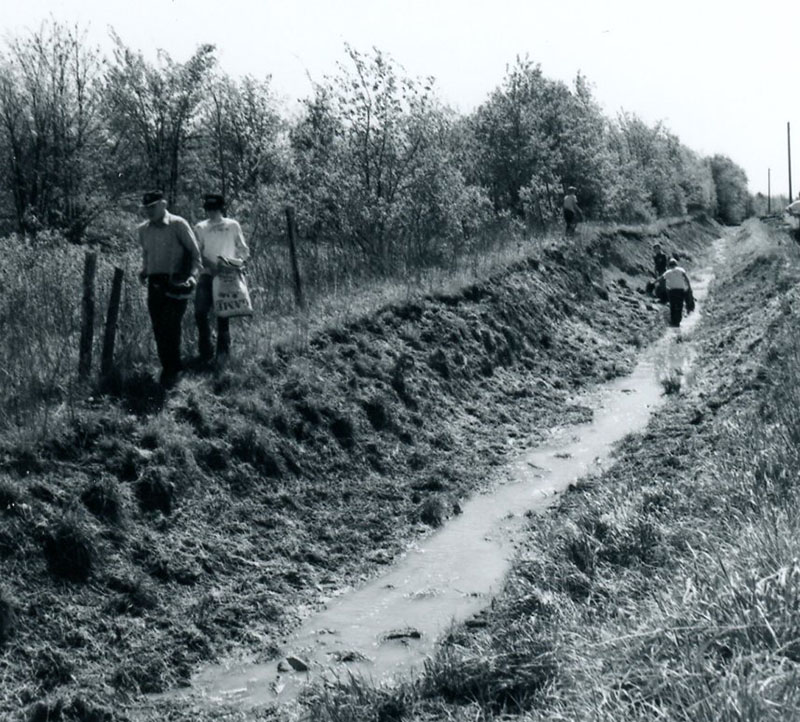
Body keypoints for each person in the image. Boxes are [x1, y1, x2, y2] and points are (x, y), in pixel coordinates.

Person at [137, 190, 203, 387]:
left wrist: (192, 276)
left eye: (153, 207)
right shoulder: (143, 230)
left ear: (163, 204)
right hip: (155, 282)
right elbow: (147, 254)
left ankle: (173, 370)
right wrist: (144, 271)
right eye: (146, 208)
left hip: (177, 281)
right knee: (158, 327)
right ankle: (169, 368)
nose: (149, 211)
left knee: (172, 325)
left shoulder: (178, 224)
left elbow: (194, 254)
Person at [194, 193, 250, 365]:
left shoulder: (232, 225)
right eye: (208, 208)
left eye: (214, 208)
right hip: (207, 274)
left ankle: (223, 355)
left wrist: (236, 264)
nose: (211, 212)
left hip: (227, 274)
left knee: (223, 315)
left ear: (220, 208)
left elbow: (243, 250)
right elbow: (197, 252)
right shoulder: (200, 227)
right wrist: (211, 265)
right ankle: (206, 352)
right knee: (200, 312)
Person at [658, 258, 693, 328]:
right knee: (680, 305)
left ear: (669, 265)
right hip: (680, 290)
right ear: (676, 264)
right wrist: (689, 287)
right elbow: (686, 279)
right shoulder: (681, 270)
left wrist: (664, 288)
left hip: (672, 291)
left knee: (672, 306)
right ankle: (679, 320)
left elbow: (661, 279)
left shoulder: (667, 272)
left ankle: (673, 321)